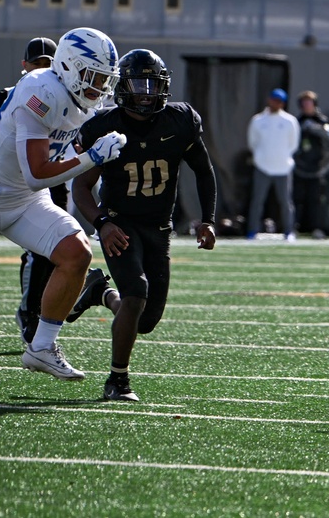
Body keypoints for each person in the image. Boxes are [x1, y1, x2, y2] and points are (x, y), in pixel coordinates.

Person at [70, 49, 217, 401]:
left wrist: (208, 219)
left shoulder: (180, 120)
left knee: (145, 320)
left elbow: (203, 171)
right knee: (136, 294)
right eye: (138, 83)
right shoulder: (104, 125)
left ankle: (101, 293)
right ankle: (117, 381)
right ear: (122, 86)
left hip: (158, 226)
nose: (146, 92)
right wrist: (102, 223)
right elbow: (80, 186)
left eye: (153, 84)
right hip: (119, 223)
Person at [0, 27, 124, 380]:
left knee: (76, 253)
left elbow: (42, 171)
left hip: (23, 198)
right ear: (69, 66)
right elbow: (37, 172)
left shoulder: (77, 100)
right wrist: (92, 156)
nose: (99, 87)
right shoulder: (40, 90)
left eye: (104, 80)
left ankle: (42, 347)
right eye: (92, 77)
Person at [246, 88, 300, 240]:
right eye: (274, 100)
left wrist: (282, 157)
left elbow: (293, 144)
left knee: (285, 202)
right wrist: (261, 157)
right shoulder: (258, 120)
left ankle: (289, 232)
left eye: (280, 101)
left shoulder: (290, 121)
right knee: (257, 201)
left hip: (283, 168)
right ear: (269, 100)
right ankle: (252, 231)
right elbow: (253, 143)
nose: (276, 103)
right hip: (262, 167)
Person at [292, 91, 329, 239]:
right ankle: (294, 227)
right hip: (300, 168)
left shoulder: (322, 122)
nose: (306, 106)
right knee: (297, 198)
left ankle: (318, 228)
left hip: (318, 168)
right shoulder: (296, 121)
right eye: (304, 103)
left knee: (317, 200)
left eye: (309, 102)